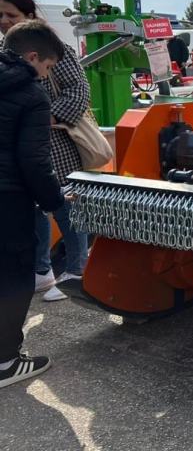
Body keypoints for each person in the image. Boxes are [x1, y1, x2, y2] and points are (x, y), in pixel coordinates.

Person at [0, 0, 90, 300]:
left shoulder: (52, 51)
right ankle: (42, 270)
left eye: (11, 15)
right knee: (35, 210)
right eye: (0, 15)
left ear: (28, 16)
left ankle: (77, 268)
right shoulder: (6, 56)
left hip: (56, 142)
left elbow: (79, 91)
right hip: (22, 149)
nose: (4, 21)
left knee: (65, 206)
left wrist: (45, 117)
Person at [0, 20, 66, 388]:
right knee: (13, 277)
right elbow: (34, 162)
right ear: (32, 57)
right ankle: (6, 362)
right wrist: (55, 200)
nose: (46, 75)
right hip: (8, 199)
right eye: (48, 67)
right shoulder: (31, 94)